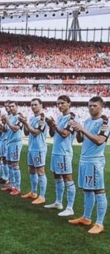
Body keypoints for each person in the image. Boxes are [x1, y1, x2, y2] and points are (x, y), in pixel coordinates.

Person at [68, 96, 109, 234]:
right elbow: (80, 140)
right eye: (90, 105)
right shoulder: (87, 120)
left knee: (99, 190)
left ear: (101, 106)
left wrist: (83, 129)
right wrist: (78, 130)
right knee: (86, 189)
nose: (91, 108)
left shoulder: (105, 121)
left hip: (95, 161)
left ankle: (99, 223)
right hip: (84, 160)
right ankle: (86, 218)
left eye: (94, 106)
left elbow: (99, 140)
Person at [44, 95, 77, 216]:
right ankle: (58, 202)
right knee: (57, 177)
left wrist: (55, 124)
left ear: (69, 104)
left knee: (67, 178)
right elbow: (53, 134)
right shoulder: (59, 117)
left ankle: (70, 207)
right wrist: (50, 124)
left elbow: (64, 134)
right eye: (58, 104)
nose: (60, 105)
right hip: (56, 151)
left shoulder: (72, 118)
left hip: (64, 152)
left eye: (62, 103)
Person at [19, 98, 48, 205]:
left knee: (40, 171)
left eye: (36, 104)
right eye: (32, 105)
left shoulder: (42, 118)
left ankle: (42, 196)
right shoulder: (31, 118)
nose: (33, 106)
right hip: (31, 147)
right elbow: (27, 133)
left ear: (41, 105)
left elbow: (36, 132)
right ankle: (33, 192)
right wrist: (24, 123)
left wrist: (26, 123)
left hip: (39, 148)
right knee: (31, 169)